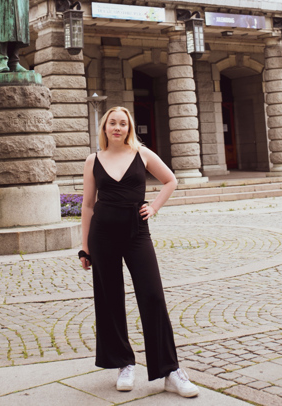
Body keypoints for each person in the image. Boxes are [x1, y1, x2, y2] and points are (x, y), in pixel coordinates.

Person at [79, 106, 199, 398]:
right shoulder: (93, 160)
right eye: (112, 123)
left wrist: (154, 207)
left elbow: (171, 180)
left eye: (123, 123)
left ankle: (171, 371)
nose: (117, 127)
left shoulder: (142, 154)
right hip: (102, 235)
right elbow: (88, 205)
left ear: (129, 128)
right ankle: (123, 363)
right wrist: (84, 248)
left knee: (153, 295)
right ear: (104, 128)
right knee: (110, 298)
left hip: (136, 233)